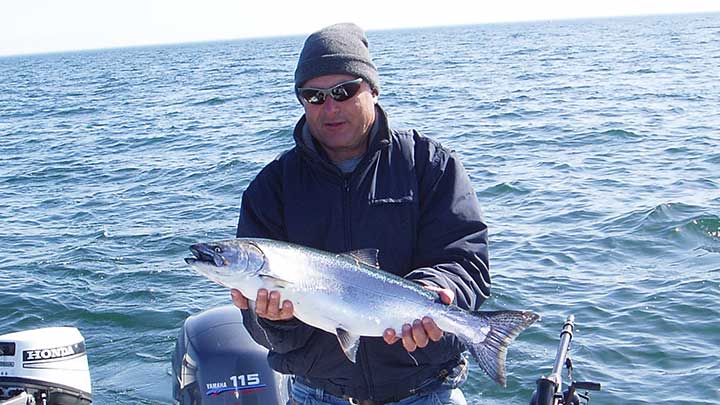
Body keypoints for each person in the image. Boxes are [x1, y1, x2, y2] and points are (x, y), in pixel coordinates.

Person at [231, 22, 489, 405]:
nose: (330, 107)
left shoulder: (429, 165)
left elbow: (464, 258)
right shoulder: (272, 189)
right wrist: (271, 318)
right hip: (317, 393)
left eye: (344, 91)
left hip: (427, 388)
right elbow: (262, 328)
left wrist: (437, 288)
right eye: (314, 96)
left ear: (372, 88)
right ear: (301, 101)